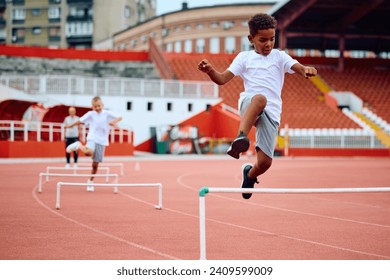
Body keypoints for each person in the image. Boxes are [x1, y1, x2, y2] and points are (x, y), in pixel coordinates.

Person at [197, 13, 317, 199]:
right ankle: (241, 137)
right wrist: (210, 70)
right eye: (263, 40)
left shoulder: (279, 57)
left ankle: (249, 175)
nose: (268, 44)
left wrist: (305, 70)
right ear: (251, 38)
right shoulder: (244, 58)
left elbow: (296, 66)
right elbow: (221, 79)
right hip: (249, 104)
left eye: (272, 39)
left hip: (271, 113)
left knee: (265, 163)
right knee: (260, 99)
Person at [65, 96, 122, 192]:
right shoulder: (90, 114)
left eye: (99, 106)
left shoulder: (107, 113)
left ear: (102, 105)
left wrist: (113, 122)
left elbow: (120, 117)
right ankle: (78, 145)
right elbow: (80, 121)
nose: (98, 108)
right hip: (92, 137)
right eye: (95, 106)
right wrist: (69, 126)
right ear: (92, 107)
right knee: (88, 152)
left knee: (95, 165)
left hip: (102, 141)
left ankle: (90, 181)